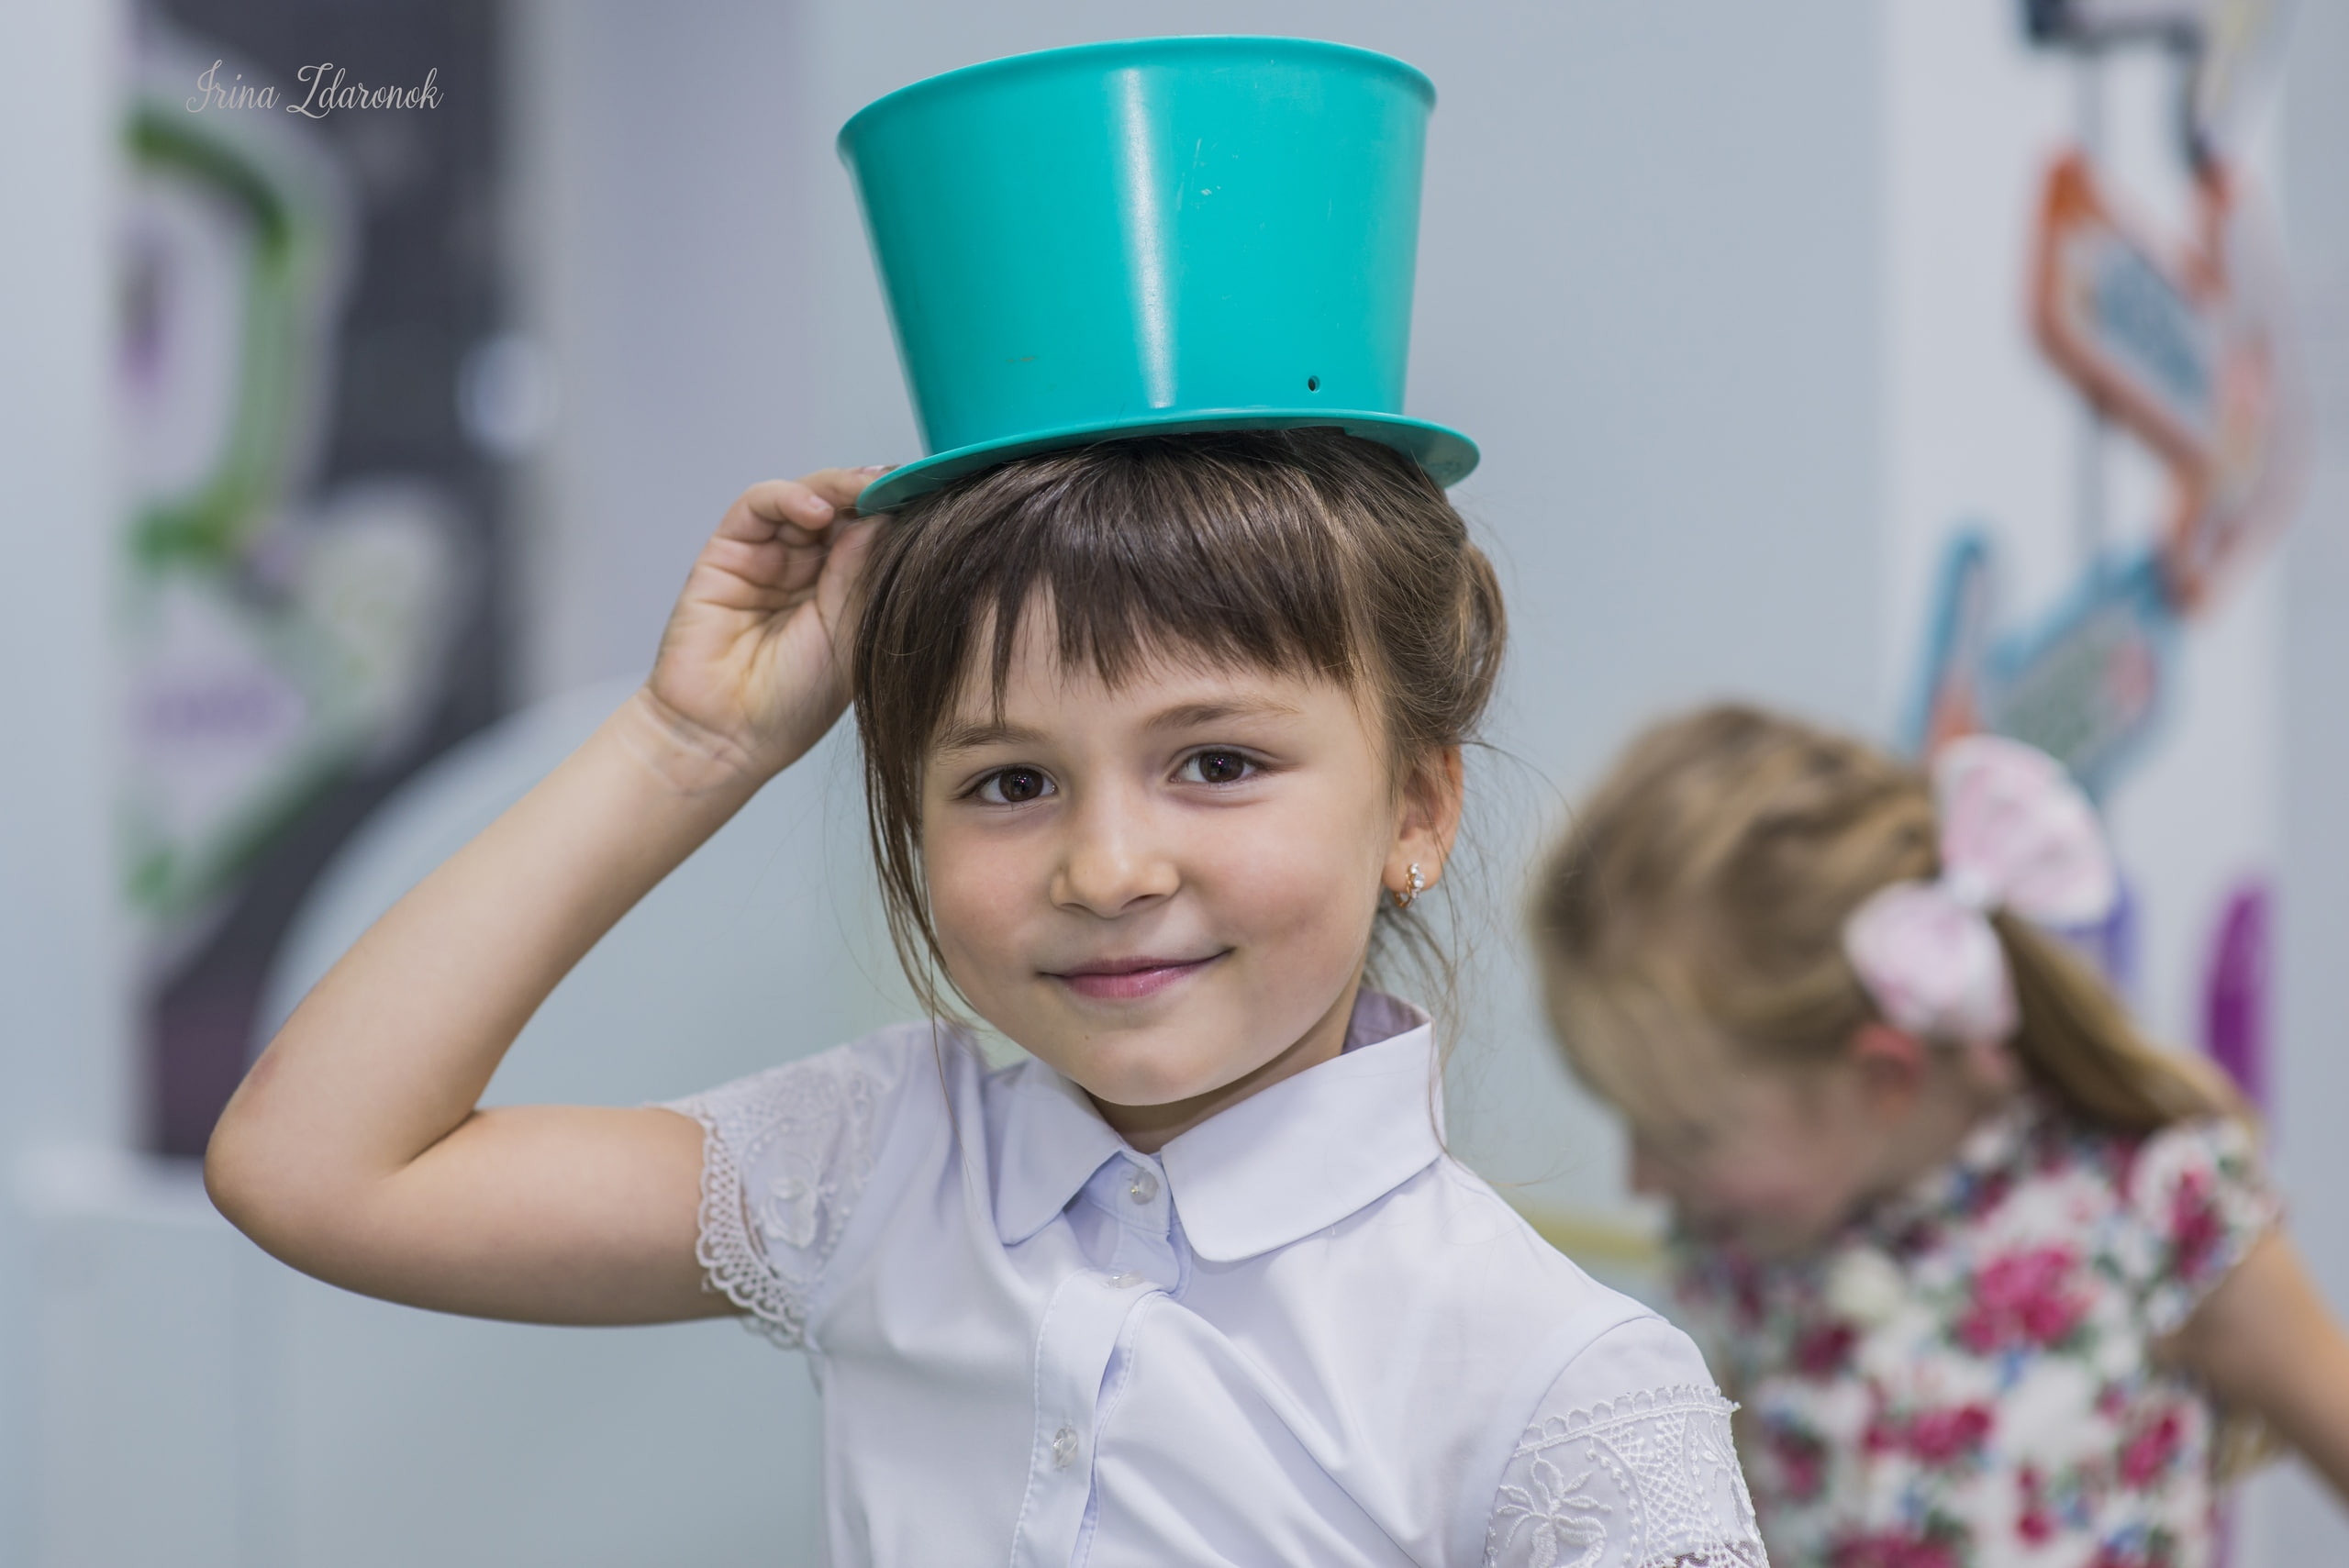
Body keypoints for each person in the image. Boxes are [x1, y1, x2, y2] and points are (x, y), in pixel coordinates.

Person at [206, 431, 1768, 1567]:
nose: (1105, 861)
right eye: (1008, 779)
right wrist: (690, 747)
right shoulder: (881, 1157)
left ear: (1418, 808)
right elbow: (317, 1167)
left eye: (1216, 761)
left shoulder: (1560, 1385)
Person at [1530, 703, 2349, 1566]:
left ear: (1881, 1078)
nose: (1643, 1180)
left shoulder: (2158, 1206)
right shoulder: (1738, 1253)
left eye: (1686, 1133)